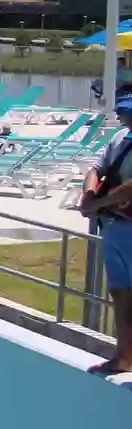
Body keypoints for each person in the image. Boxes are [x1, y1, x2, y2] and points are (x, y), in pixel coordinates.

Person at [83, 92, 132, 376]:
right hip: (113, 226)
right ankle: (124, 356)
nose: (125, 117)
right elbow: (96, 168)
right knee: (121, 293)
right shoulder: (120, 138)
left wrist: (99, 202)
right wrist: (89, 194)